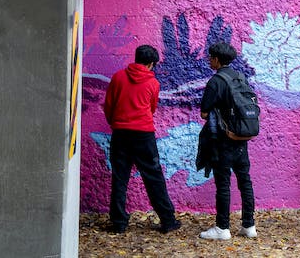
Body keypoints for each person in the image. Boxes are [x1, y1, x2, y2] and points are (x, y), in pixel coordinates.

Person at [102, 44, 181, 234]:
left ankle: (119, 222)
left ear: (136, 58)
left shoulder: (118, 77)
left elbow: (108, 105)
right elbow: (152, 108)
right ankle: (168, 220)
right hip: (143, 135)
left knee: (120, 177)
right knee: (154, 177)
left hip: (120, 133)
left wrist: (116, 123)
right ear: (152, 64)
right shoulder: (153, 83)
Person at [199, 42, 257, 240]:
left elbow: (204, 112)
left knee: (223, 184)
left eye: (210, 57)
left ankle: (222, 228)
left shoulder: (216, 81)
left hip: (223, 140)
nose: (209, 60)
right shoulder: (240, 77)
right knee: (245, 181)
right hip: (242, 138)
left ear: (216, 59)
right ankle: (249, 226)